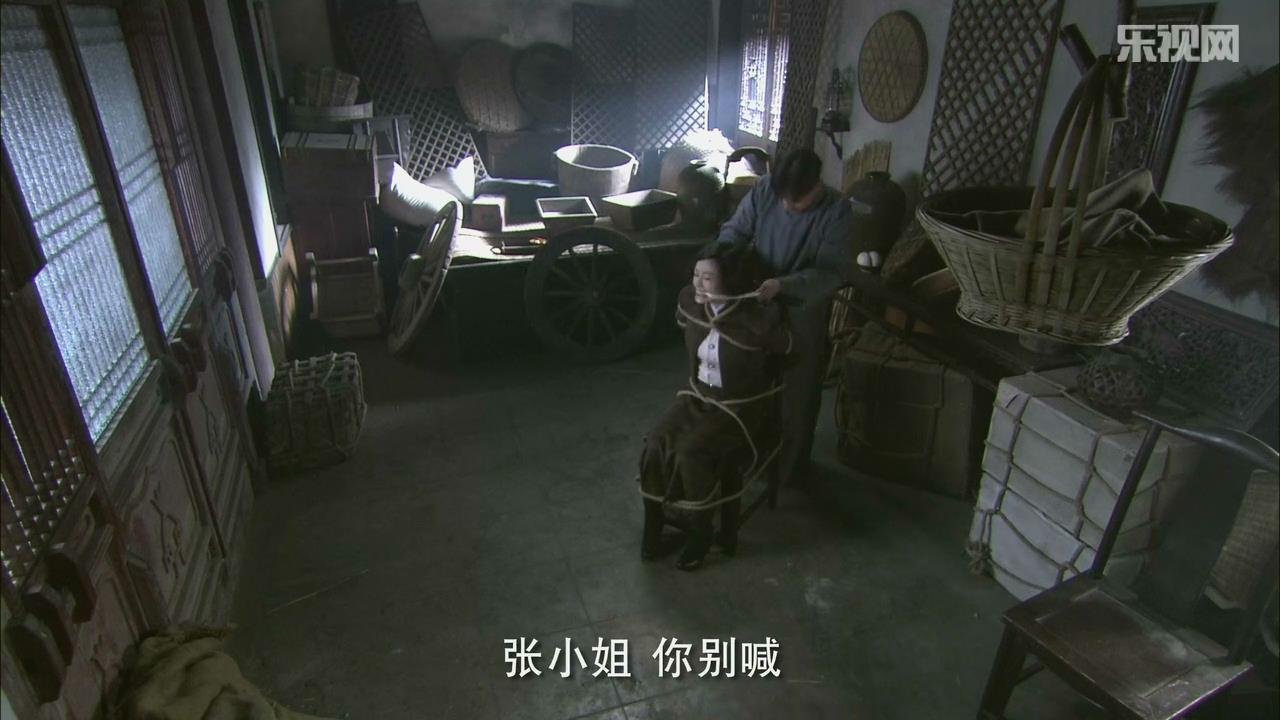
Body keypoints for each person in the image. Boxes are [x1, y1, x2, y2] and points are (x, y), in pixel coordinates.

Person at [638, 241, 792, 570]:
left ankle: (700, 529)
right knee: (655, 443)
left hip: (739, 406)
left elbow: (790, 350)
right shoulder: (694, 307)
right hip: (697, 396)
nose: (697, 283)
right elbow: (687, 303)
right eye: (695, 274)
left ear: (731, 284)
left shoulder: (755, 323)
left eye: (707, 278)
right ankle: (654, 521)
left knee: (689, 451)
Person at [716, 148, 851, 489]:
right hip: (759, 294)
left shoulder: (837, 209)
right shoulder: (764, 190)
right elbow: (735, 230)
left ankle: (789, 470)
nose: (788, 206)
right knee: (750, 379)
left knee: (797, 390)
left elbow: (831, 272)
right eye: (784, 199)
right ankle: (751, 456)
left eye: (797, 201)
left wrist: (784, 285)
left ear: (817, 186)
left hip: (804, 302)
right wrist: (720, 260)